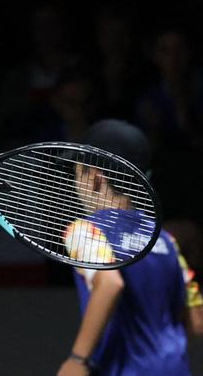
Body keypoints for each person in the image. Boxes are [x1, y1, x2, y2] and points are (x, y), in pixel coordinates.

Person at [58, 119, 203, 376]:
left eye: (76, 172)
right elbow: (196, 321)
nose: (74, 183)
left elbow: (111, 283)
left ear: (94, 178)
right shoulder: (167, 242)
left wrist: (78, 360)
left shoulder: (85, 231)